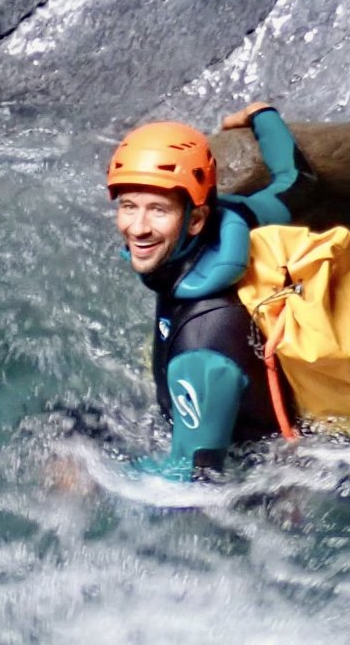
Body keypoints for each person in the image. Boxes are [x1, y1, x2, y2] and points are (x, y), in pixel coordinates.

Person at [107, 101, 311, 481]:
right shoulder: (238, 217)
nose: (137, 228)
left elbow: (191, 483)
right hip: (230, 421)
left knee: (62, 436)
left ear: (197, 219)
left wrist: (106, 478)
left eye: (158, 210)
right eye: (129, 206)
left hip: (257, 480)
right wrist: (261, 115)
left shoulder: (202, 345)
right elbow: (296, 183)